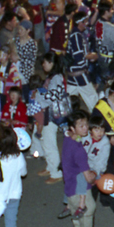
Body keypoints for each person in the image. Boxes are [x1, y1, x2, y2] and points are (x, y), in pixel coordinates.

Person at [62, 110, 97, 227]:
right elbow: (88, 177)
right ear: (72, 128)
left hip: (70, 191)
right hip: (81, 193)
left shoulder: (67, 140)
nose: (86, 128)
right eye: (81, 126)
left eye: (86, 125)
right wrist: (96, 175)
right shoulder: (79, 151)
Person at [32, 53, 68, 184]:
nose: (43, 64)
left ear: (53, 63)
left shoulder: (56, 77)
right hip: (49, 113)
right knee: (46, 141)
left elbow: (53, 96)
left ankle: (56, 172)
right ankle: (51, 166)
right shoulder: (53, 76)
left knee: (49, 142)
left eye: (46, 62)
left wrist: (39, 97)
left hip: (51, 113)